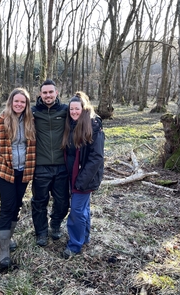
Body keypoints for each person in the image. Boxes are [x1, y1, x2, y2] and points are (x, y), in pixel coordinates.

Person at [0, 88, 36, 269]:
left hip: (25, 170)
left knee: (17, 205)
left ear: (26, 104)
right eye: (17, 101)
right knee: (7, 206)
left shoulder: (32, 121)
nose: (19, 105)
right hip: (5, 171)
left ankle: (8, 237)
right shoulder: (1, 122)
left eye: (23, 102)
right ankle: (4, 252)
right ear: (11, 102)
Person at [60, 91, 105, 259]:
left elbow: (97, 157)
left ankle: (74, 245)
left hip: (85, 177)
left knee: (77, 211)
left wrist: (81, 180)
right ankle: (84, 237)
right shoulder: (70, 124)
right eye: (71, 109)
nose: (73, 112)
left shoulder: (93, 126)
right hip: (73, 174)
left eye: (76, 109)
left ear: (83, 108)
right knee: (84, 208)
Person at [31, 79, 70, 246]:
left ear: (56, 93)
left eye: (50, 92)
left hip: (62, 165)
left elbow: (84, 115)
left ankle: (55, 224)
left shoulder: (65, 110)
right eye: (44, 92)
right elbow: (12, 114)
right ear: (40, 94)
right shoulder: (32, 111)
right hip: (40, 165)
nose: (48, 95)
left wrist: (97, 121)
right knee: (39, 201)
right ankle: (41, 232)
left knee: (62, 201)